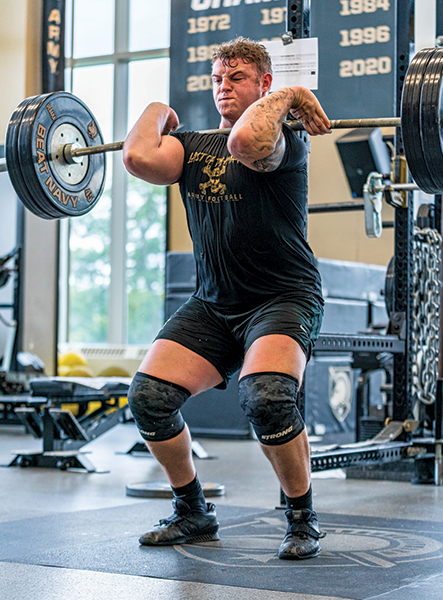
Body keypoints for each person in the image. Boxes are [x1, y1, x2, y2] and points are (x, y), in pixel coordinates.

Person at [123, 36, 331, 560]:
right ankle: (192, 511)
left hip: (281, 297)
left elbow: (247, 143)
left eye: (235, 78)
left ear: (263, 83)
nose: (222, 89)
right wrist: (156, 109)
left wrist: (292, 96)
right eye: (217, 79)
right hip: (215, 303)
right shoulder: (190, 147)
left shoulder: (285, 140)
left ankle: (301, 516)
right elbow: (138, 156)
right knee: (148, 397)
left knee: (267, 396)